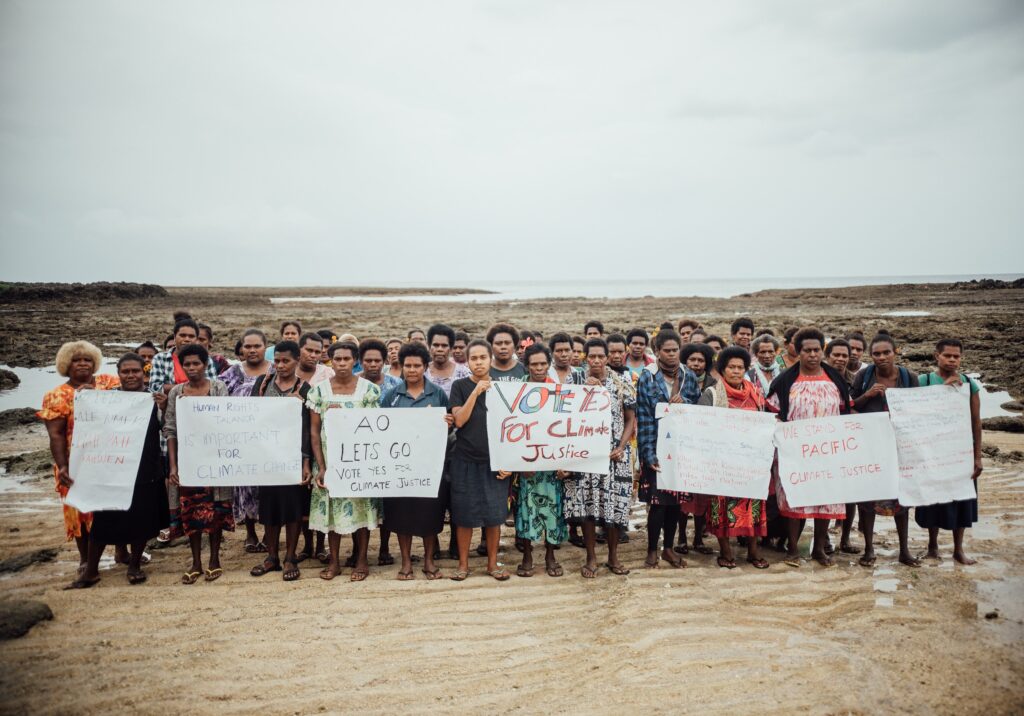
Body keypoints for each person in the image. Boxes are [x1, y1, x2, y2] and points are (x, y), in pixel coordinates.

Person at [65, 353, 168, 588]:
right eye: (125, 372)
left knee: (141, 519)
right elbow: (89, 429)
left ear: (145, 372)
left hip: (146, 469)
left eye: (135, 371)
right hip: (111, 469)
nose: (130, 375)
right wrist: (84, 399)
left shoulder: (154, 399)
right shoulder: (106, 399)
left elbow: (167, 429)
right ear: (118, 374)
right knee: (104, 518)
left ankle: (134, 565)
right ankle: (91, 570)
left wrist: (163, 407)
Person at [767, 328, 851, 568]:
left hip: (828, 453)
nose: (812, 355)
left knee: (825, 499)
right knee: (796, 499)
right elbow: (772, 412)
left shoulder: (834, 378)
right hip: (795, 453)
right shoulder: (785, 381)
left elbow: (845, 411)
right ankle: (793, 549)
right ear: (799, 351)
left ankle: (818, 549)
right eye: (807, 350)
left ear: (822, 351)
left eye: (817, 350)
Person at [39, 341, 121, 577]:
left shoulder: (109, 383)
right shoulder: (56, 396)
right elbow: (55, 435)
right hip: (76, 462)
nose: (83, 364)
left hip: (111, 457)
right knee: (79, 511)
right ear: (66, 364)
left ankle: (121, 551)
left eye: (87, 359)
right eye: (77, 360)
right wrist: (63, 465)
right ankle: (85, 559)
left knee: (114, 506)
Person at [307, 341, 382, 581]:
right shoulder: (318, 391)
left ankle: (361, 560)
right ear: (330, 360)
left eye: (346, 359)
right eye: (336, 359)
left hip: (359, 461)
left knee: (361, 511)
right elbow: (314, 432)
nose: (341, 364)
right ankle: (334, 561)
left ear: (355, 360)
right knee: (332, 513)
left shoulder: (369, 390)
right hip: (329, 461)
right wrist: (322, 466)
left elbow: (376, 427)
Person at [564, 338, 638, 578]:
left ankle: (614, 556)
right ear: (586, 358)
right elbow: (566, 416)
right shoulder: (575, 381)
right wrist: (586, 390)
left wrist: (622, 445)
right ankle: (591, 557)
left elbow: (630, 419)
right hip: (586, 453)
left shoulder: (622, 381)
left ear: (608, 358)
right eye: (591, 356)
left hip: (615, 454)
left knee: (614, 506)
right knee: (588, 504)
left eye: (600, 356)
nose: (596, 360)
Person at [380, 342, 452, 580]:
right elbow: (381, 429)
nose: (412, 370)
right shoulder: (391, 396)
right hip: (399, 466)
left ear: (425, 367)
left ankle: (429, 562)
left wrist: (447, 422)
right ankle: (406, 562)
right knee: (402, 515)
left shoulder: (438, 393)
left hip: (430, 466)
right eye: (407, 365)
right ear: (401, 367)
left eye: (417, 365)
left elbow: (446, 428)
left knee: (430, 515)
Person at [696, 347, 773, 569]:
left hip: (751, 463)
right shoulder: (712, 395)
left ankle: (753, 551)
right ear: (722, 370)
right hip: (722, 464)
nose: (736, 371)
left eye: (740, 367)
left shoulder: (756, 394)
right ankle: (726, 551)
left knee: (752, 507)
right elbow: (701, 426)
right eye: (731, 367)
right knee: (721, 507)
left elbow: (765, 423)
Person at [164, 343, 233, 584]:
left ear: (206, 365)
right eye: (187, 364)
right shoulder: (176, 393)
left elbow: (224, 420)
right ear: (181, 367)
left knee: (214, 511)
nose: (192, 368)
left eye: (196, 363)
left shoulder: (218, 388)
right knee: (191, 510)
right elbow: (170, 430)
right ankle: (195, 562)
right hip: (188, 461)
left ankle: (214, 559)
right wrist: (174, 467)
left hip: (214, 459)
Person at [850, 333, 921, 568]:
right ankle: (869, 550)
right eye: (877, 354)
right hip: (870, 447)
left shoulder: (908, 377)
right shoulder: (865, 375)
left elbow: (921, 408)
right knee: (868, 500)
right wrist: (868, 395)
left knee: (901, 499)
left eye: (886, 353)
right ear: (871, 356)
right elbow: (850, 407)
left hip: (900, 448)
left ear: (895, 352)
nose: (881, 357)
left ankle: (904, 550)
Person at [248, 341, 313, 582]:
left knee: (293, 510)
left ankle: (290, 557)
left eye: (286, 361)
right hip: (267, 457)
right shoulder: (262, 384)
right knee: (270, 509)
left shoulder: (305, 389)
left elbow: (309, 429)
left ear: (297, 361)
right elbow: (252, 416)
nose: (280, 365)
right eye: (277, 360)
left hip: (293, 459)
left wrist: (306, 462)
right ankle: (271, 557)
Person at [636, 330, 701, 569]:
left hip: (681, 449)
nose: (672, 354)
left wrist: (686, 405)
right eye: (667, 351)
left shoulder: (689, 377)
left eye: (675, 350)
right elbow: (643, 417)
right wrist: (648, 453)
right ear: (656, 352)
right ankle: (652, 549)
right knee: (658, 502)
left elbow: (698, 412)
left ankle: (669, 549)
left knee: (676, 503)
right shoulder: (647, 377)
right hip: (656, 447)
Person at [915, 338, 983, 565]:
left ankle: (958, 549)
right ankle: (932, 547)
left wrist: (977, 456)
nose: (952, 360)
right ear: (937, 356)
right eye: (948, 356)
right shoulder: (924, 381)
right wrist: (943, 391)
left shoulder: (969, 384)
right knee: (932, 500)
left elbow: (975, 421)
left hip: (960, 453)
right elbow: (915, 414)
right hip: (931, 451)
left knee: (961, 499)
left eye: (957, 356)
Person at [448, 340, 511, 581]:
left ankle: (492, 564)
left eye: (482, 358)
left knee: (494, 515)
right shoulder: (460, 386)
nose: (478, 362)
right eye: (473, 358)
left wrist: (510, 462)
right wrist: (477, 391)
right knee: (464, 516)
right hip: (464, 459)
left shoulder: (503, 389)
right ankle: (463, 565)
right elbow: (460, 420)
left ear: (490, 359)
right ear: (467, 361)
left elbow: (512, 427)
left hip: (495, 462)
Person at [512, 344, 568, 578]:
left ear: (549, 364)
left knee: (553, 507)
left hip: (551, 459)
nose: (539, 368)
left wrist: (564, 462)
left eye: (543, 363)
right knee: (525, 507)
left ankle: (550, 555)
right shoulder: (516, 391)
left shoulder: (559, 391)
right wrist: (519, 464)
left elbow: (567, 428)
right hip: (526, 460)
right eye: (534, 364)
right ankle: (527, 555)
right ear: (527, 365)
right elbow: (510, 426)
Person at [220, 328, 272, 553]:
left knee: (269, 488)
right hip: (241, 442)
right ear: (241, 349)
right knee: (245, 487)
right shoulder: (232, 372)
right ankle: (250, 533)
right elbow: (215, 398)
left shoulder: (276, 370)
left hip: (270, 442)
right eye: (247, 346)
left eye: (256, 346)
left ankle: (270, 534)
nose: (252, 350)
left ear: (265, 347)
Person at [357, 337, 401, 565]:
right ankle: (358, 551)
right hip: (359, 453)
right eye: (368, 360)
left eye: (377, 360)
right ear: (361, 361)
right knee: (362, 501)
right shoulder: (353, 384)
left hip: (389, 451)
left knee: (386, 502)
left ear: (384, 361)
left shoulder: (395, 384)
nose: (373, 364)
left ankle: (384, 548)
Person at [425, 323, 471, 397]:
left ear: (451, 348)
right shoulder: (422, 372)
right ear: (429, 347)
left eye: (444, 345)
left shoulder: (464, 374)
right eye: (436, 345)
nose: (440, 349)